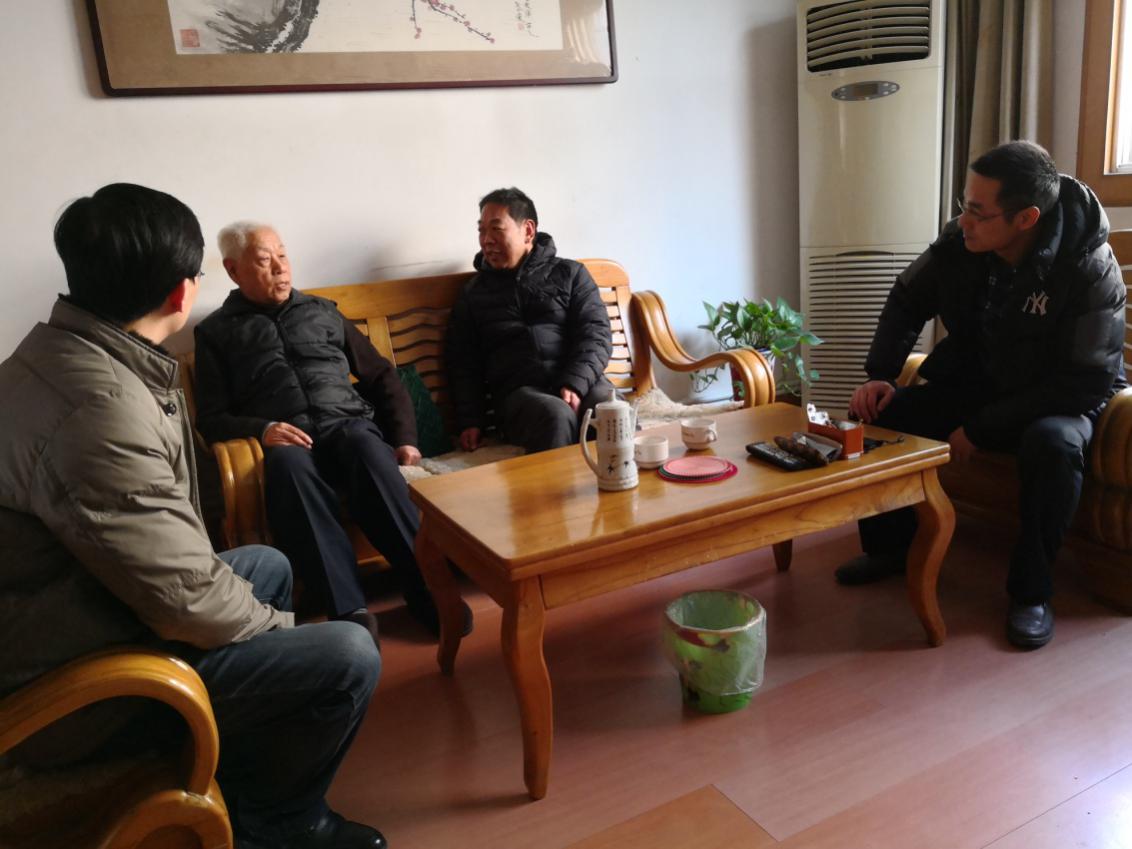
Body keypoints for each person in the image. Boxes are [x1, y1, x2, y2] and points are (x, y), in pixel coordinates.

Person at [0, 184, 386, 849]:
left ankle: (240, 764)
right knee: (348, 654)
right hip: (74, 686)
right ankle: (279, 822)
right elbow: (186, 601)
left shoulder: (60, 357)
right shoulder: (99, 409)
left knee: (267, 564)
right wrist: (281, 631)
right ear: (184, 292)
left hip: (73, 614)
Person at [838, 140, 1127, 650]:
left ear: (1026, 218)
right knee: (881, 413)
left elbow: (1085, 382)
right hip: (980, 380)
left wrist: (982, 428)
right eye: (963, 205)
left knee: (1054, 446)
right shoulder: (960, 242)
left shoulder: (1088, 265)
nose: (963, 221)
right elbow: (906, 299)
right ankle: (890, 549)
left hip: (1057, 400)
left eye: (977, 211)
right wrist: (880, 374)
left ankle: (1032, 593)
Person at [194, 222, 471, 641]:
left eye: (282, 255)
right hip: (290, 442)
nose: (280, 268)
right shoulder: (216, 333)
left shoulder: (323, 311)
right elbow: (212, 417)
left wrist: (405, 439)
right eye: (265, 261)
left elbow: (381, 376)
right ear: (234, 271)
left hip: (346, 426)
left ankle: (429, 588)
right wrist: (262, 429)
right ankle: (349, 611)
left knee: (367, 448)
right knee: (288, 468)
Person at [447, 187, 614, 454]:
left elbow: (596, 334)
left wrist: (574, 383)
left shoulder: (571, 274)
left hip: (582, 381)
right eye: (481, 230)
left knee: (612, 411)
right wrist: (470, 421)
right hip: (521, 396)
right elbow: (464, 362)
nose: (486, 240)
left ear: (528, 230)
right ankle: (558, 485)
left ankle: (628, 480)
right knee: (556, 415)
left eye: (496, 229)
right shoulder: (473, 294)